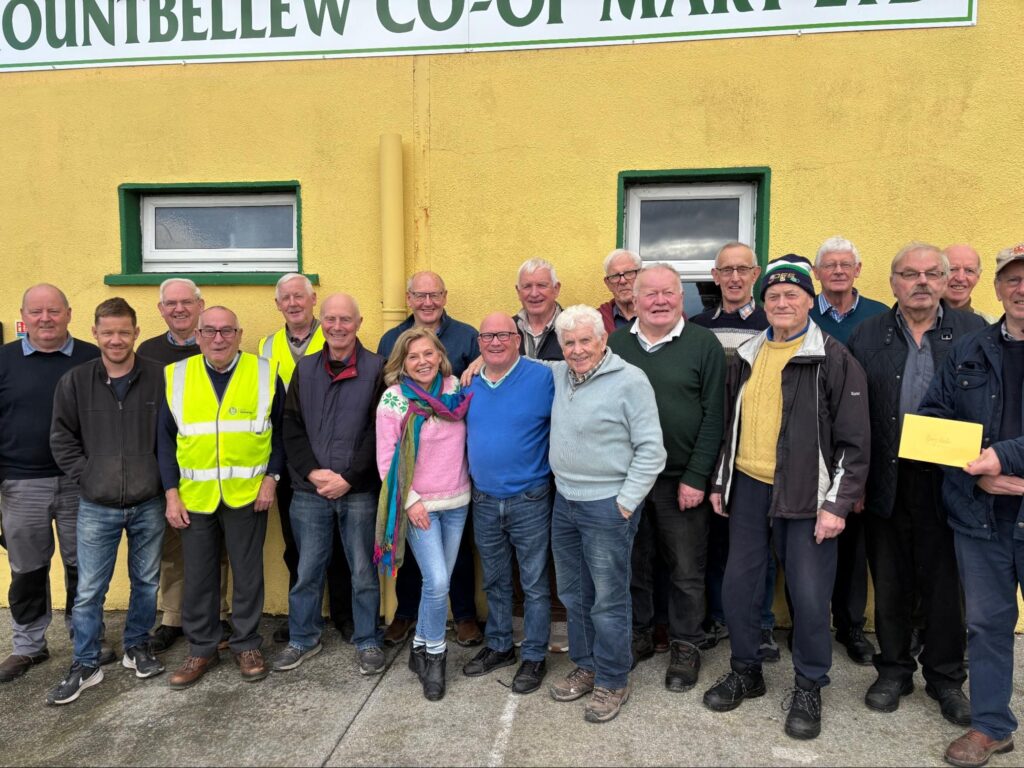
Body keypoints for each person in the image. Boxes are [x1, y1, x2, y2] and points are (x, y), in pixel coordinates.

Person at [703, 255, 869, 741]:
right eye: (773, 296)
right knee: (739, 586)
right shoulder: (749, 353)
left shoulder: (833, 358)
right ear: (763, 302)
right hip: (750, 488)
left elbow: (855, 443)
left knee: (811, 596)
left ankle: (809, 683)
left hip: (807, 494)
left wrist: (837, 505)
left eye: (791, 295)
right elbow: (728, 428)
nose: (780, 302)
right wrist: (720, 482)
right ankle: (746, 670)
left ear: (809, 301)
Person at [847, 242, 985, 725]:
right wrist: (855, 480)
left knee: (946, 583)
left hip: (952, 481)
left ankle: (947, 679)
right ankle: (893, 669)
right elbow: (851, 413)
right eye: (910, 274)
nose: (921, 282)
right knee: (889, 579)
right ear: (893, 283)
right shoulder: (867, 335)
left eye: (932, 273)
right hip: (888, 475)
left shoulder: (976, 333)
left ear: (947, 280)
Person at [918, 243, 1024, 768]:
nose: (1022, 289)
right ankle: (990, 726)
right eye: (1013, 279)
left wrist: (1003, 458)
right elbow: (933, 421)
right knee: (986, 624)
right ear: (998, 287)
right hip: (980, 515)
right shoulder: (970, 348)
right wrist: (979, 473)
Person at [608, 264, 725, 692]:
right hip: (629, 481)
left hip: (682, 480)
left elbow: (716, 416)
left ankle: (685, 644)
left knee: (686, 570)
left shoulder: (703, 344)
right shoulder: (616, 344)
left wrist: (697, 476)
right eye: (650, 294)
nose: (659, 301)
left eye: (668, 293)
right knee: (635, 563)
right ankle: (640, 634)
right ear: (633, 300)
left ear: (682, 298)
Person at [547, 305, 666, 724]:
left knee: (608, 599)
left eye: (585, 341)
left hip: (607, 506)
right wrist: (474, 364)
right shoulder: (560, 374)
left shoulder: (630, 380)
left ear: (602, 340)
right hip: (565, 502)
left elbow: (652, 449)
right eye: (569, 343)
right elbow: (515, 363)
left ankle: (614, 678)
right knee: (574, 594)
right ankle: (587, 664)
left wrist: (627, 501)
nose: (577, 350)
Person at [46, 298, 166, 704]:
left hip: (148, 500)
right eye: (108, 332)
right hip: (95, 504)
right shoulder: (76, 381)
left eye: (124, 331)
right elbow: (61, 437)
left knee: (147, 582)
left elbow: (170, 435)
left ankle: (137, 646)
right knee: (89, 588)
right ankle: (85, 662)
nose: (116, 339)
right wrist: (89, 476)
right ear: (95, 333)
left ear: (135, 332)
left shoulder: (157, 377)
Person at [158, 306, 285, 689]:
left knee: (248, 574)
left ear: (239, 333)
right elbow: (164, 441)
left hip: (248, 494)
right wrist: (171, 494)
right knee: (198, 576)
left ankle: (246, 644)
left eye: (227, 331)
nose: (218, 338)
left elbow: (281, 431)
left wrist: (271, 479)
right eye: (210, 331)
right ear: (197, 335)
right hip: (194, 497)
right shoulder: (176, 376)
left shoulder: (264, 373)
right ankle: (202, 647)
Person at [273, 293, 386, 676]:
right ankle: (303, 638)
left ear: (359, 322)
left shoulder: (377, 369)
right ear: (321, 322)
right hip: (310, 492)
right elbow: (290, 426)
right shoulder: (304, 370)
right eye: (331, 319)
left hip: (358, 492)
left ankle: (368, 639)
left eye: (346, 320)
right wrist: (312, 472)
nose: (338, 327)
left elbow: (379, 432)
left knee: (362, 573)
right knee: (307, 570)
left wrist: (349, 478)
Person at [0, 284, 99, 684]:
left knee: (84, 567)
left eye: (54, 311)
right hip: (22, 483)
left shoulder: (92, 359)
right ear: (24, 315)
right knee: (27, 569)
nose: (46, 319)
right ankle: (28, 645)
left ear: (69, 313)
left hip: (80, 483)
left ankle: (85, 639)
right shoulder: (4, 361)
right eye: (37, 312)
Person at [377, 271, 481, 648]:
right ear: (409, 298)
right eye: (419, 295)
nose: (427, 301)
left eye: (434, 294)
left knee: (455, 562)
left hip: (457, 490)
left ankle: (463, 617)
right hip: (416, 492)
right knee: (423, 568)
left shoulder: (466, 338)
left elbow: (475, 388)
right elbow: (388, 429)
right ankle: (414, 624)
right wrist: (408, 496)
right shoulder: (391, 343)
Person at [375, 327, 472, 701]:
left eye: (428, 354)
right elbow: (386, 459)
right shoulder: (394, 401)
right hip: (420, 507)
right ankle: (435, 656)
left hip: (458, 500)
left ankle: (418, 646)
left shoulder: (453, 389)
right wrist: (411, 500)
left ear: (439, 355)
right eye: (413, 356)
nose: (422, 362)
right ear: (402, 362)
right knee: (436, 581)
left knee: (441, 580)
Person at [137, 278, 230, 655]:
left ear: (200, 305)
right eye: (171, 303)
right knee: (172, 547)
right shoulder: (148, 352)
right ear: (160, 309)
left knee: (218, 546)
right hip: (167, 466)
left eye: (187, 303)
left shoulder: (217, 344)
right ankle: (173, 617)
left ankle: (219, 613)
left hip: (214, 468)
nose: (179, 309)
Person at [257, 273, 352, 645]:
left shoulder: (335, 335)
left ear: (315, 300)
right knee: (296, 546)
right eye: (286, 299)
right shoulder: (266, 346)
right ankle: (304, 617)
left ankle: (344, 616)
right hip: (289, 459)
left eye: (300, 296)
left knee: (343, 547)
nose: (294, 303)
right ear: (278, 305)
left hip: (334, 460)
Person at [691, 242, 775, 659]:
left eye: (743, 269)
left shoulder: (772, 322)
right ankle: (720, 616)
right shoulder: (697, 326)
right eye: (727, 270)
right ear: (715, 275)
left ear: (755, 273)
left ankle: (760, 624)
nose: (735, 277)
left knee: (756, 542)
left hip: (754, 449)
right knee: (714, 540)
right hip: (709, 445)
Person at [463, 313, 554, 694]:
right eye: (487, 336)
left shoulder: (544, 376)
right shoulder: (467, 384)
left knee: (533, 582)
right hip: (483, 498)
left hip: (530, 497)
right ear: (479, 343)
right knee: (497, 580)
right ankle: (500, 646)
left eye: (503, 334)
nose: (495, 341)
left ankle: (534, 654)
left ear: (518, 339)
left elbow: (585, 365)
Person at [808, 236, 889, 665]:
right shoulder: (802, 316)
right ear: (817, 273)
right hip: (810, 452)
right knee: (809, 544)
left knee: (853, 549)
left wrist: (857, 475)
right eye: (829, 265)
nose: (838, 271)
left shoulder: (879, 318)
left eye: (846, 264)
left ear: (858, 270)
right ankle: (809, 624)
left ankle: (851, 627)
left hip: (858, 447)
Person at [514, 258, 564, 360]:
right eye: (527, 286)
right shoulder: (507, 330)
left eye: (541, 285)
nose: (534, 293)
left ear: (556, 289)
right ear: (518, 292)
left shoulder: (574, 326)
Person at [944, 243, 997, 323]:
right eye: (952, 269)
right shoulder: (921, 321)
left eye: (969, 270)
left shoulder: (991, 326)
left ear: (978, 276)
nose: (960, 278)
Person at [599, 249, 641, 333]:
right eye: (615, 276)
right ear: (608, 284)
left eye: (629, 273)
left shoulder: (657, 315)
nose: (622, 281)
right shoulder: (598, 320)